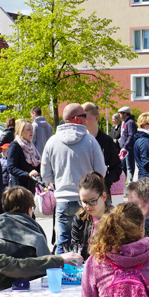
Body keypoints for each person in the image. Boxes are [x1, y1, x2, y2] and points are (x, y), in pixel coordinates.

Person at [41, 103, 107, 253]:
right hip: (87, 201)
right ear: (77, 119)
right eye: (84, 116)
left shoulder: (52, 141)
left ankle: (60, 275)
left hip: (63, 199)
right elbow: (101, 171)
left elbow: (45, 174)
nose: (86, 119)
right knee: (89, 241)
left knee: (62, 242)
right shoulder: (90, 141)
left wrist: (59, 181)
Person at [70, 172, 113, 258]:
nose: (87, 206)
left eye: (92, 201)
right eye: (84, 202)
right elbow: (75, 246)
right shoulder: (80, 218)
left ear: (103, 197)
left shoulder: (115, 218)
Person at [83, 102, 122, 196]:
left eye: (85, 117)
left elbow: (116, 168)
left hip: (101, 194)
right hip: (81, 193)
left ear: (96, 118)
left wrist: (104, 181)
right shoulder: (79, 140)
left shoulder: (107, 141)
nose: (82, 120)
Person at [6, 119, 41, 193]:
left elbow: (35, 165)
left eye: (32, 129)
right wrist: (27, 174)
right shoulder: (15, 145)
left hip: (31, 186)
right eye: (28, 129)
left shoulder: (31, 146)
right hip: (19, 188)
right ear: (20, 131)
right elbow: (11, 167)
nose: (31, 132)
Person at [117, 106, 138, 181]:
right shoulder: (125, 122)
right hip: (123, 148)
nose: (120, 115)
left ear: (125, 114)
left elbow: (131, 135)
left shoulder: (130, 123)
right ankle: (124, 181)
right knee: (123, 166)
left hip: (128, 148)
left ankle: (131, 182)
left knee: (129, 166)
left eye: (121, 113)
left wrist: (125, 146)